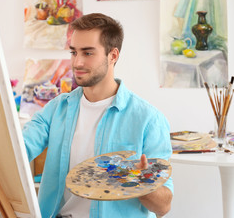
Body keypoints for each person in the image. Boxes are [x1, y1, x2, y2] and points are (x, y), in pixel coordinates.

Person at [23, 13, 173, 218]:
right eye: (74, 52)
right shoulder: (56, 109)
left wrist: (140, 181)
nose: (77, 62)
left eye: (88, 53)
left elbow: (163, 206)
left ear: (113, 56)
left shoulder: (148, 120)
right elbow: (18, 149)